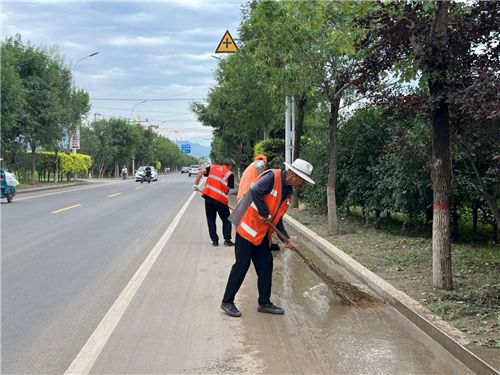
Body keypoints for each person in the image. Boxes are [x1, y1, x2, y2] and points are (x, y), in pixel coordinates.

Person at [221, 158, 315, 317]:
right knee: (242, 264)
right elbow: (254, 190)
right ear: (294, 175)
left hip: (261, 233)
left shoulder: (288, 192)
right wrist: (264, 212)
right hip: (247, 228)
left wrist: (286, 238)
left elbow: (276, 219)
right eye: (303, 180)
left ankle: (264, 303)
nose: (303, 184)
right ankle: (227, 302)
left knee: (266, 264)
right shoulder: (272, 177)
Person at [237, 154, 280, 251]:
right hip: (250, 196)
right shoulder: (260, 164)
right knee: (261, 221)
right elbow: (261, 179)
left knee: (245, 224)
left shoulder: (250, 167)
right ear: (265, 162)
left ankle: (256, 244)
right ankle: (263, 245)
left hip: (243, 195)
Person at [194, 160, 236, 247]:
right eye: (233, 168)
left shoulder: (213, 167)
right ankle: (227, 240)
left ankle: (215, 241)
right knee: (226, 220)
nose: (233, 170)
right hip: (220, 200)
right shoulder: (230, 174)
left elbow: (201, 172)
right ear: (230, 166)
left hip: (208, 198)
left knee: (211, 220)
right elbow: (228, 189)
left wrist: (196, 184)